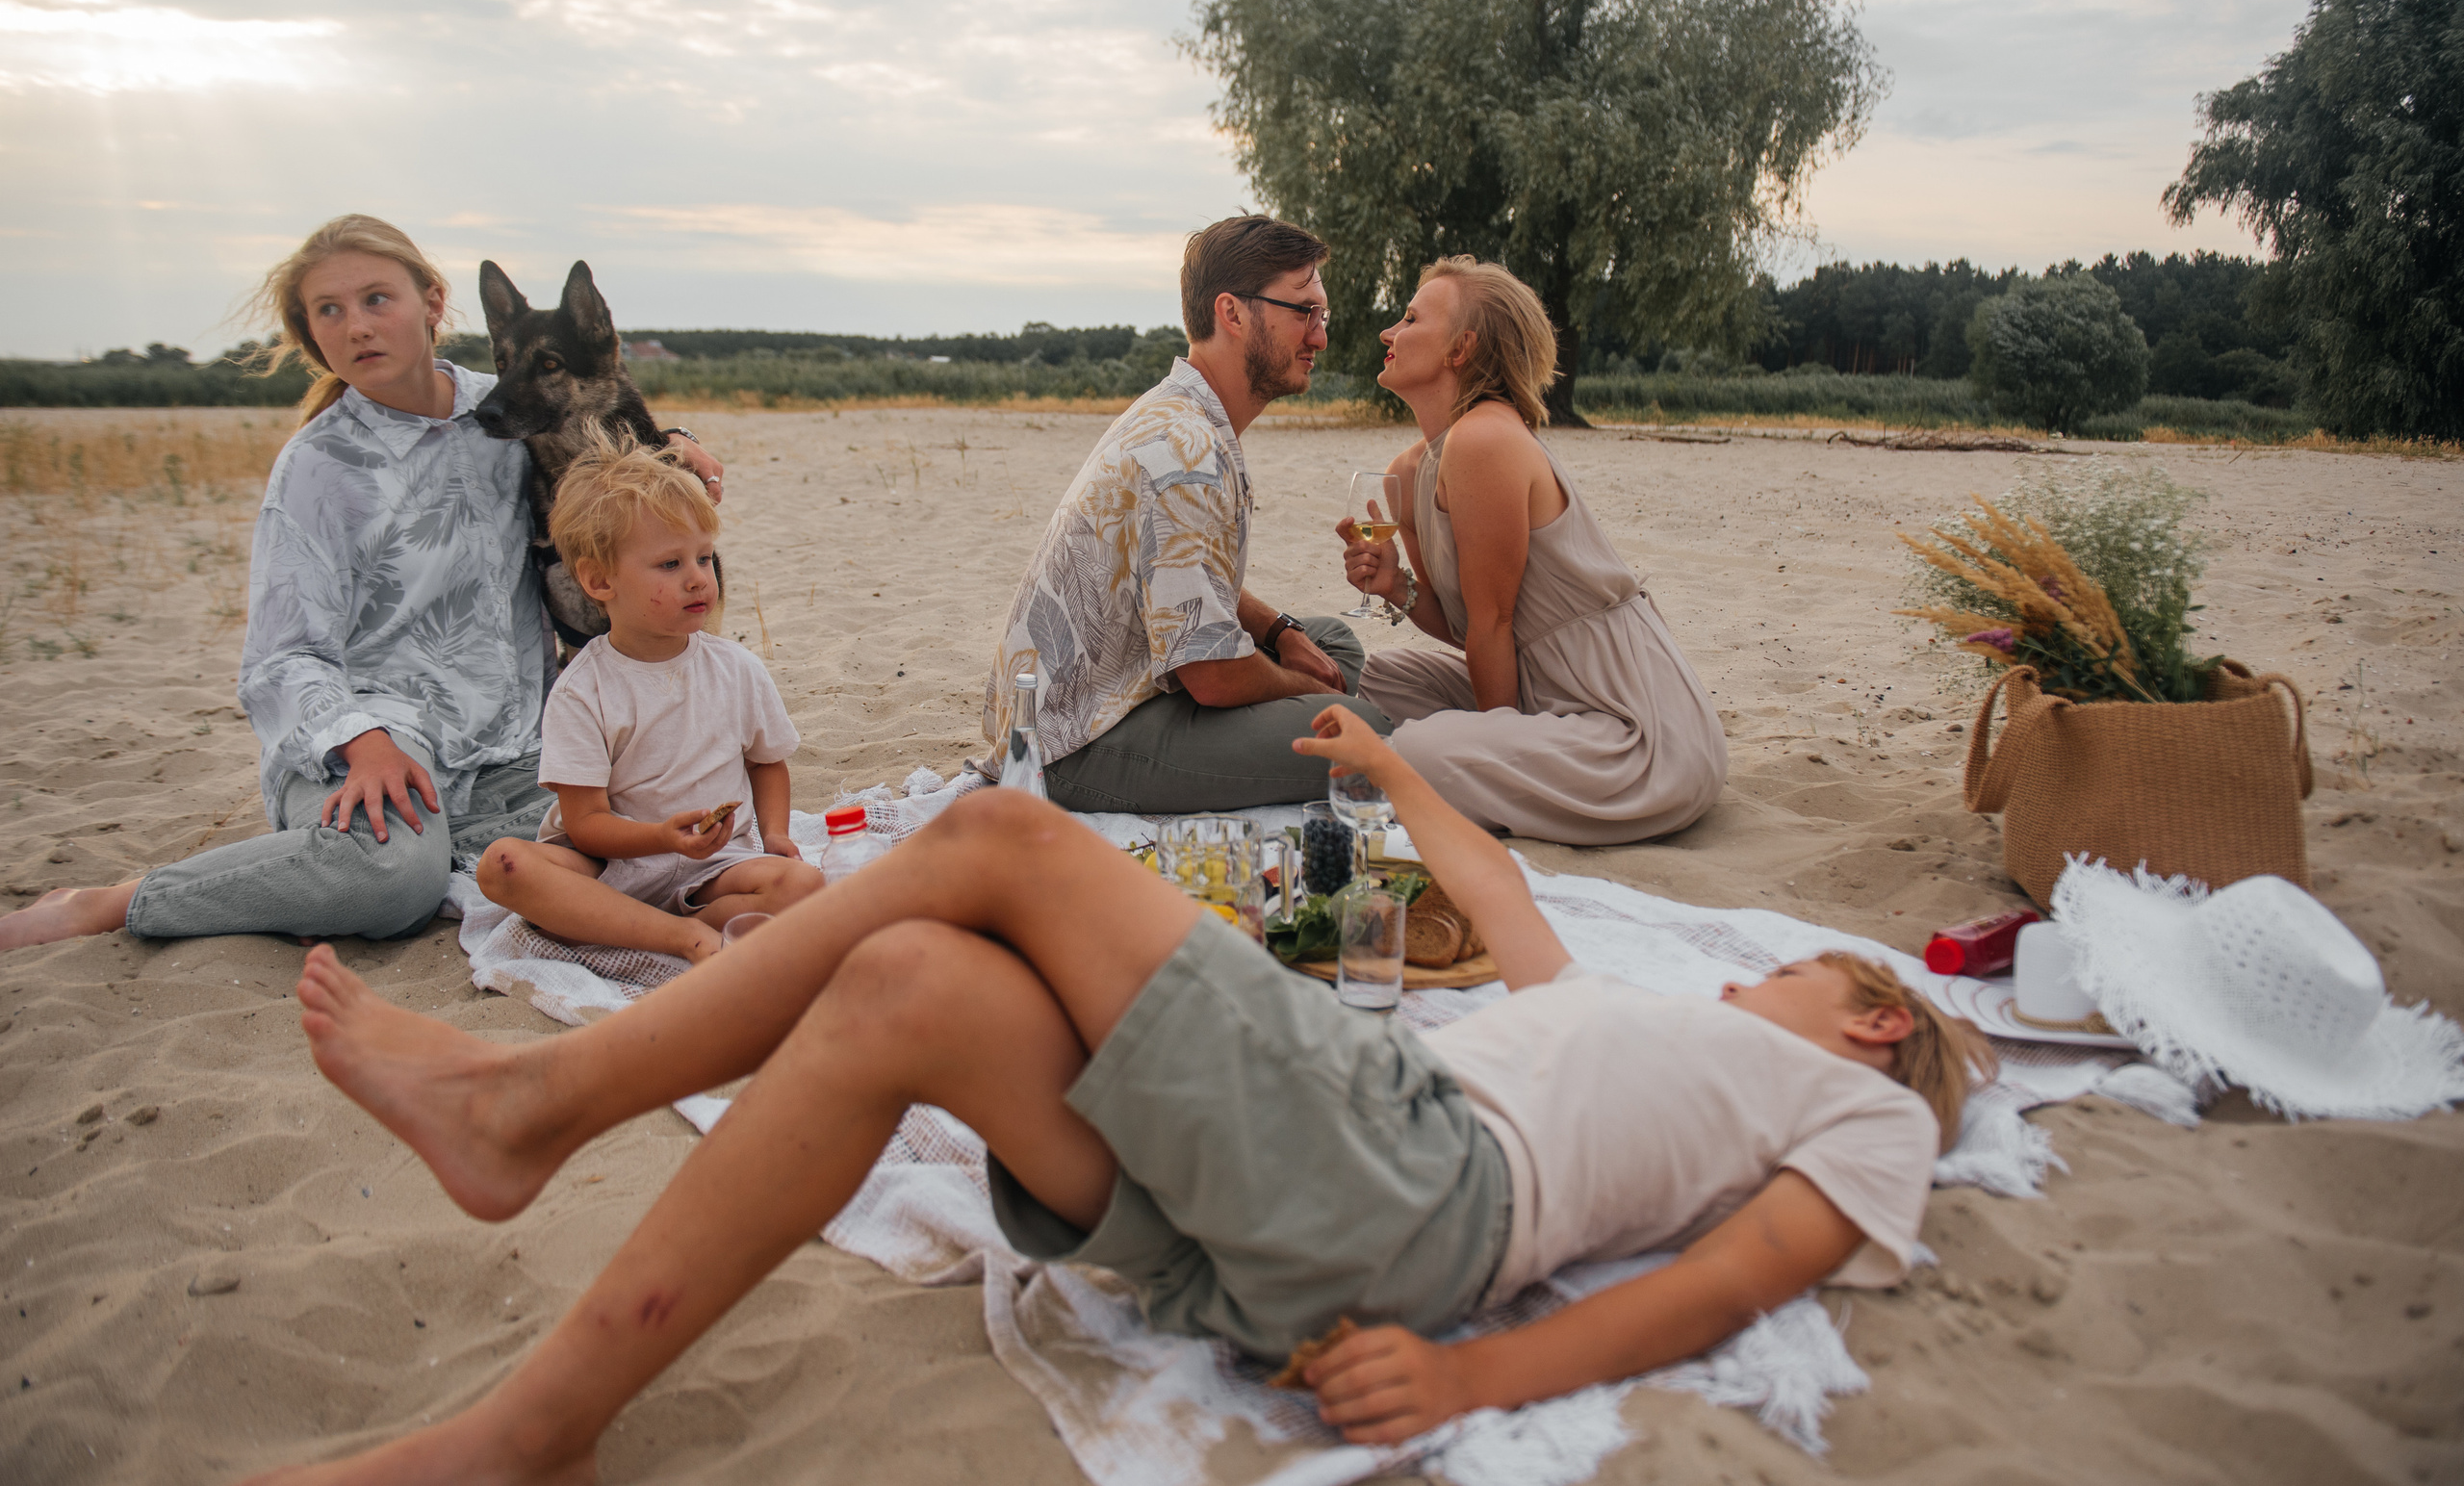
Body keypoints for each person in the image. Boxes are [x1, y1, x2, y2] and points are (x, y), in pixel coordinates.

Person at [262, 705, 1990, 1482]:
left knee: (1002, 837)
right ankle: (535, 1429)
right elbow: (1517, 904)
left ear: (1863, 1024)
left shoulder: (1865, 1107)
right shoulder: (1622, 1026)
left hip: (1405, 1169)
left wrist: (1479, 1372)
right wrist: (1391, 767)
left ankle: (535, 1103)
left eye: (1803, 971)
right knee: (904, 982)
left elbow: (1733, 1277)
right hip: (1315, 1204)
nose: (1751, 977)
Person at [0, 215, 722, 953]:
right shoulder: (317, 469)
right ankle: (116, 901)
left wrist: (678, 447)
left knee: (659, 833)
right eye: (330, 311)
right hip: (370, 747)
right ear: (313, 334)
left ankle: (448, 848)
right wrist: (366, 743)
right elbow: (281, 660)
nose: (357, 328)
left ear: (433, 304)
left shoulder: (503, 416)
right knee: (392, 879)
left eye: (378, 299)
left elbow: (611, 446)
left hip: (515, 752)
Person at [982, 214, 1393, 811]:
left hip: (1123, 689)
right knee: (1367, 734)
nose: (1319, 337)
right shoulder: (1184, 450)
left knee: (1330, 642)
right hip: (1069, 745)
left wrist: (1280, 633)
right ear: (1232, 312)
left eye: (1321, 315)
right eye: (1303, 312)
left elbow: (1186, 581)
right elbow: (1214, 675)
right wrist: (1294, 684)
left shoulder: (1183, 413)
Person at [1339, 255, 1727, 844]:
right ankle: (1500, 756)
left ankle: (1491, 761)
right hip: (1537, 687)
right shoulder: (1410, 470)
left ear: (1460, 348)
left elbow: (1494, 624)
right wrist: (1398, 588)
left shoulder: (1485, 438)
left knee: (1419, 750)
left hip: (1630, 721)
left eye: (1411, 318)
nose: (1388, 332)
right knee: (1364, 677)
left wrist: (1497, 740)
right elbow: (1463, 624)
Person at [474, 447, 820, 965]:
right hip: (609, 868)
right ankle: (683, 938)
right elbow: (586, 821)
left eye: (704, 557)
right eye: (670, 563)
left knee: (802, 885)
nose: (699, 577)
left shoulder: (737, 668)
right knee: (501, 865)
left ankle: (655, 927)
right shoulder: (582, 690)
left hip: (713, 867)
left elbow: (766, 762)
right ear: (599, 581)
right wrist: (660, 838)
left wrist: (773, 834)